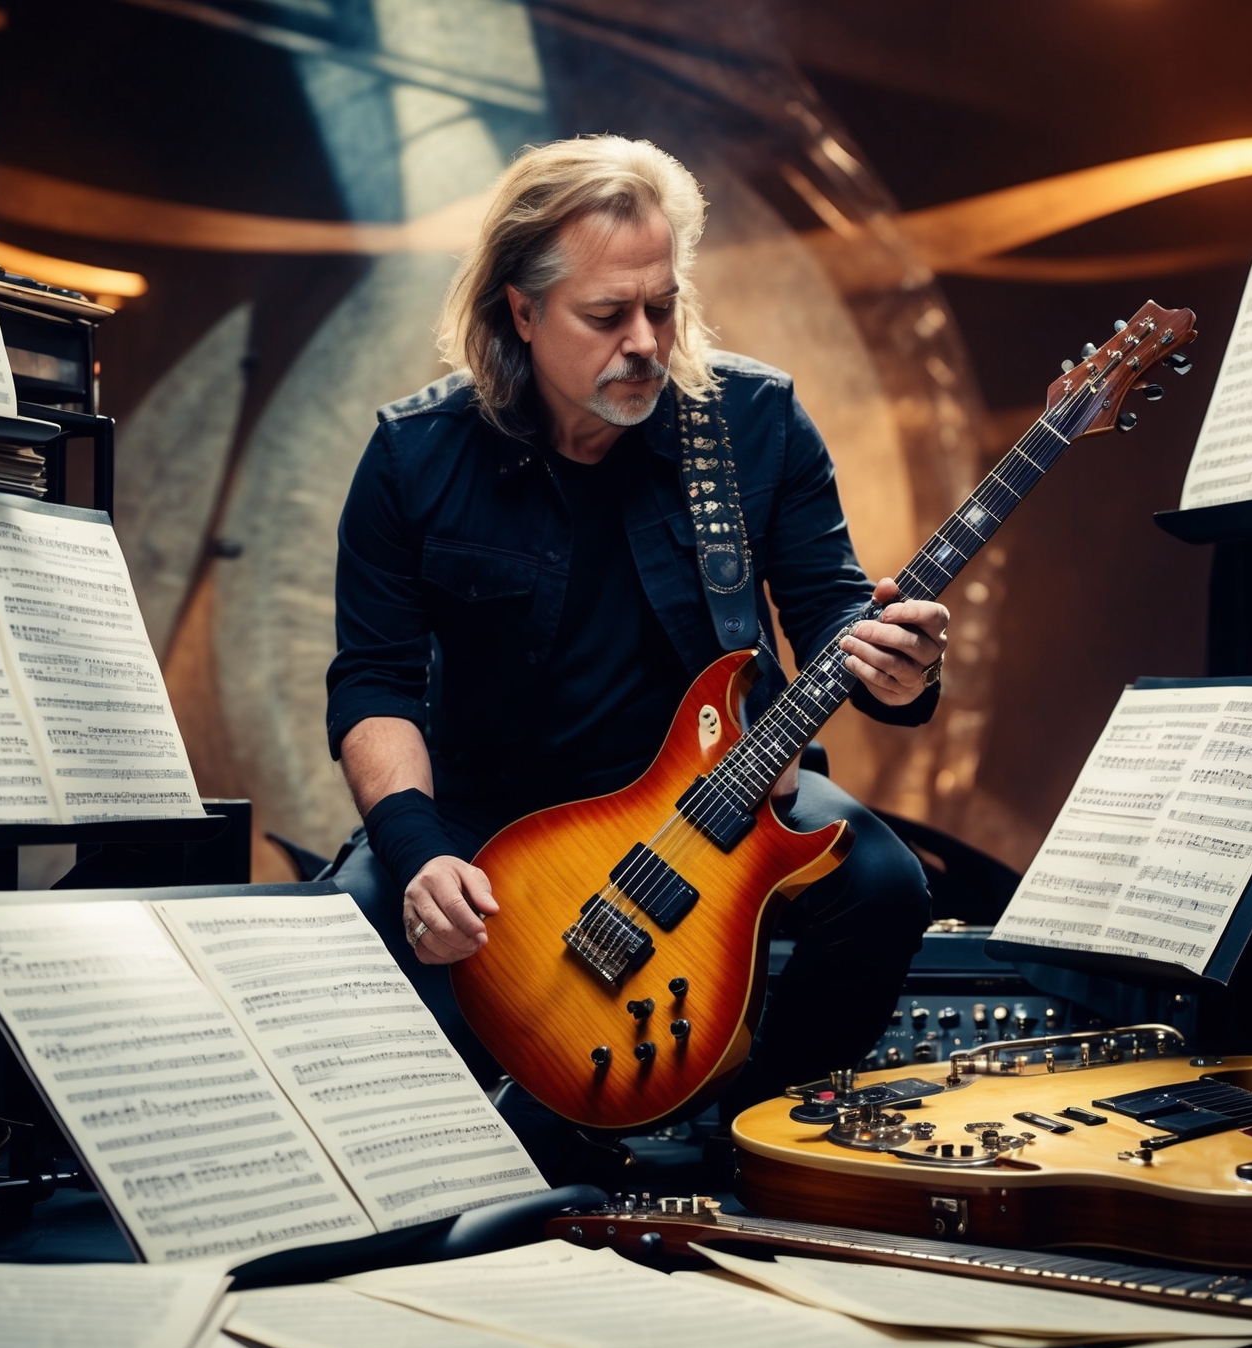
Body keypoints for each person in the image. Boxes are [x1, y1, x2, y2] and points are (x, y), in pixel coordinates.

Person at [324, 135, 949, 1178]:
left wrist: (902, 669)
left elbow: (835, 610)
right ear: (521, 312)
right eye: (608, 316)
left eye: (664, 305)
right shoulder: (414, 456)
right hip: (497, 808)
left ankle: (739, 1140)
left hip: (713, 791)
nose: (648, 341)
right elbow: (374, 680)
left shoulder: (752, 422)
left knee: (883, 887)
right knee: (343, 930)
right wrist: (420, 850)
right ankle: (450, 1169)